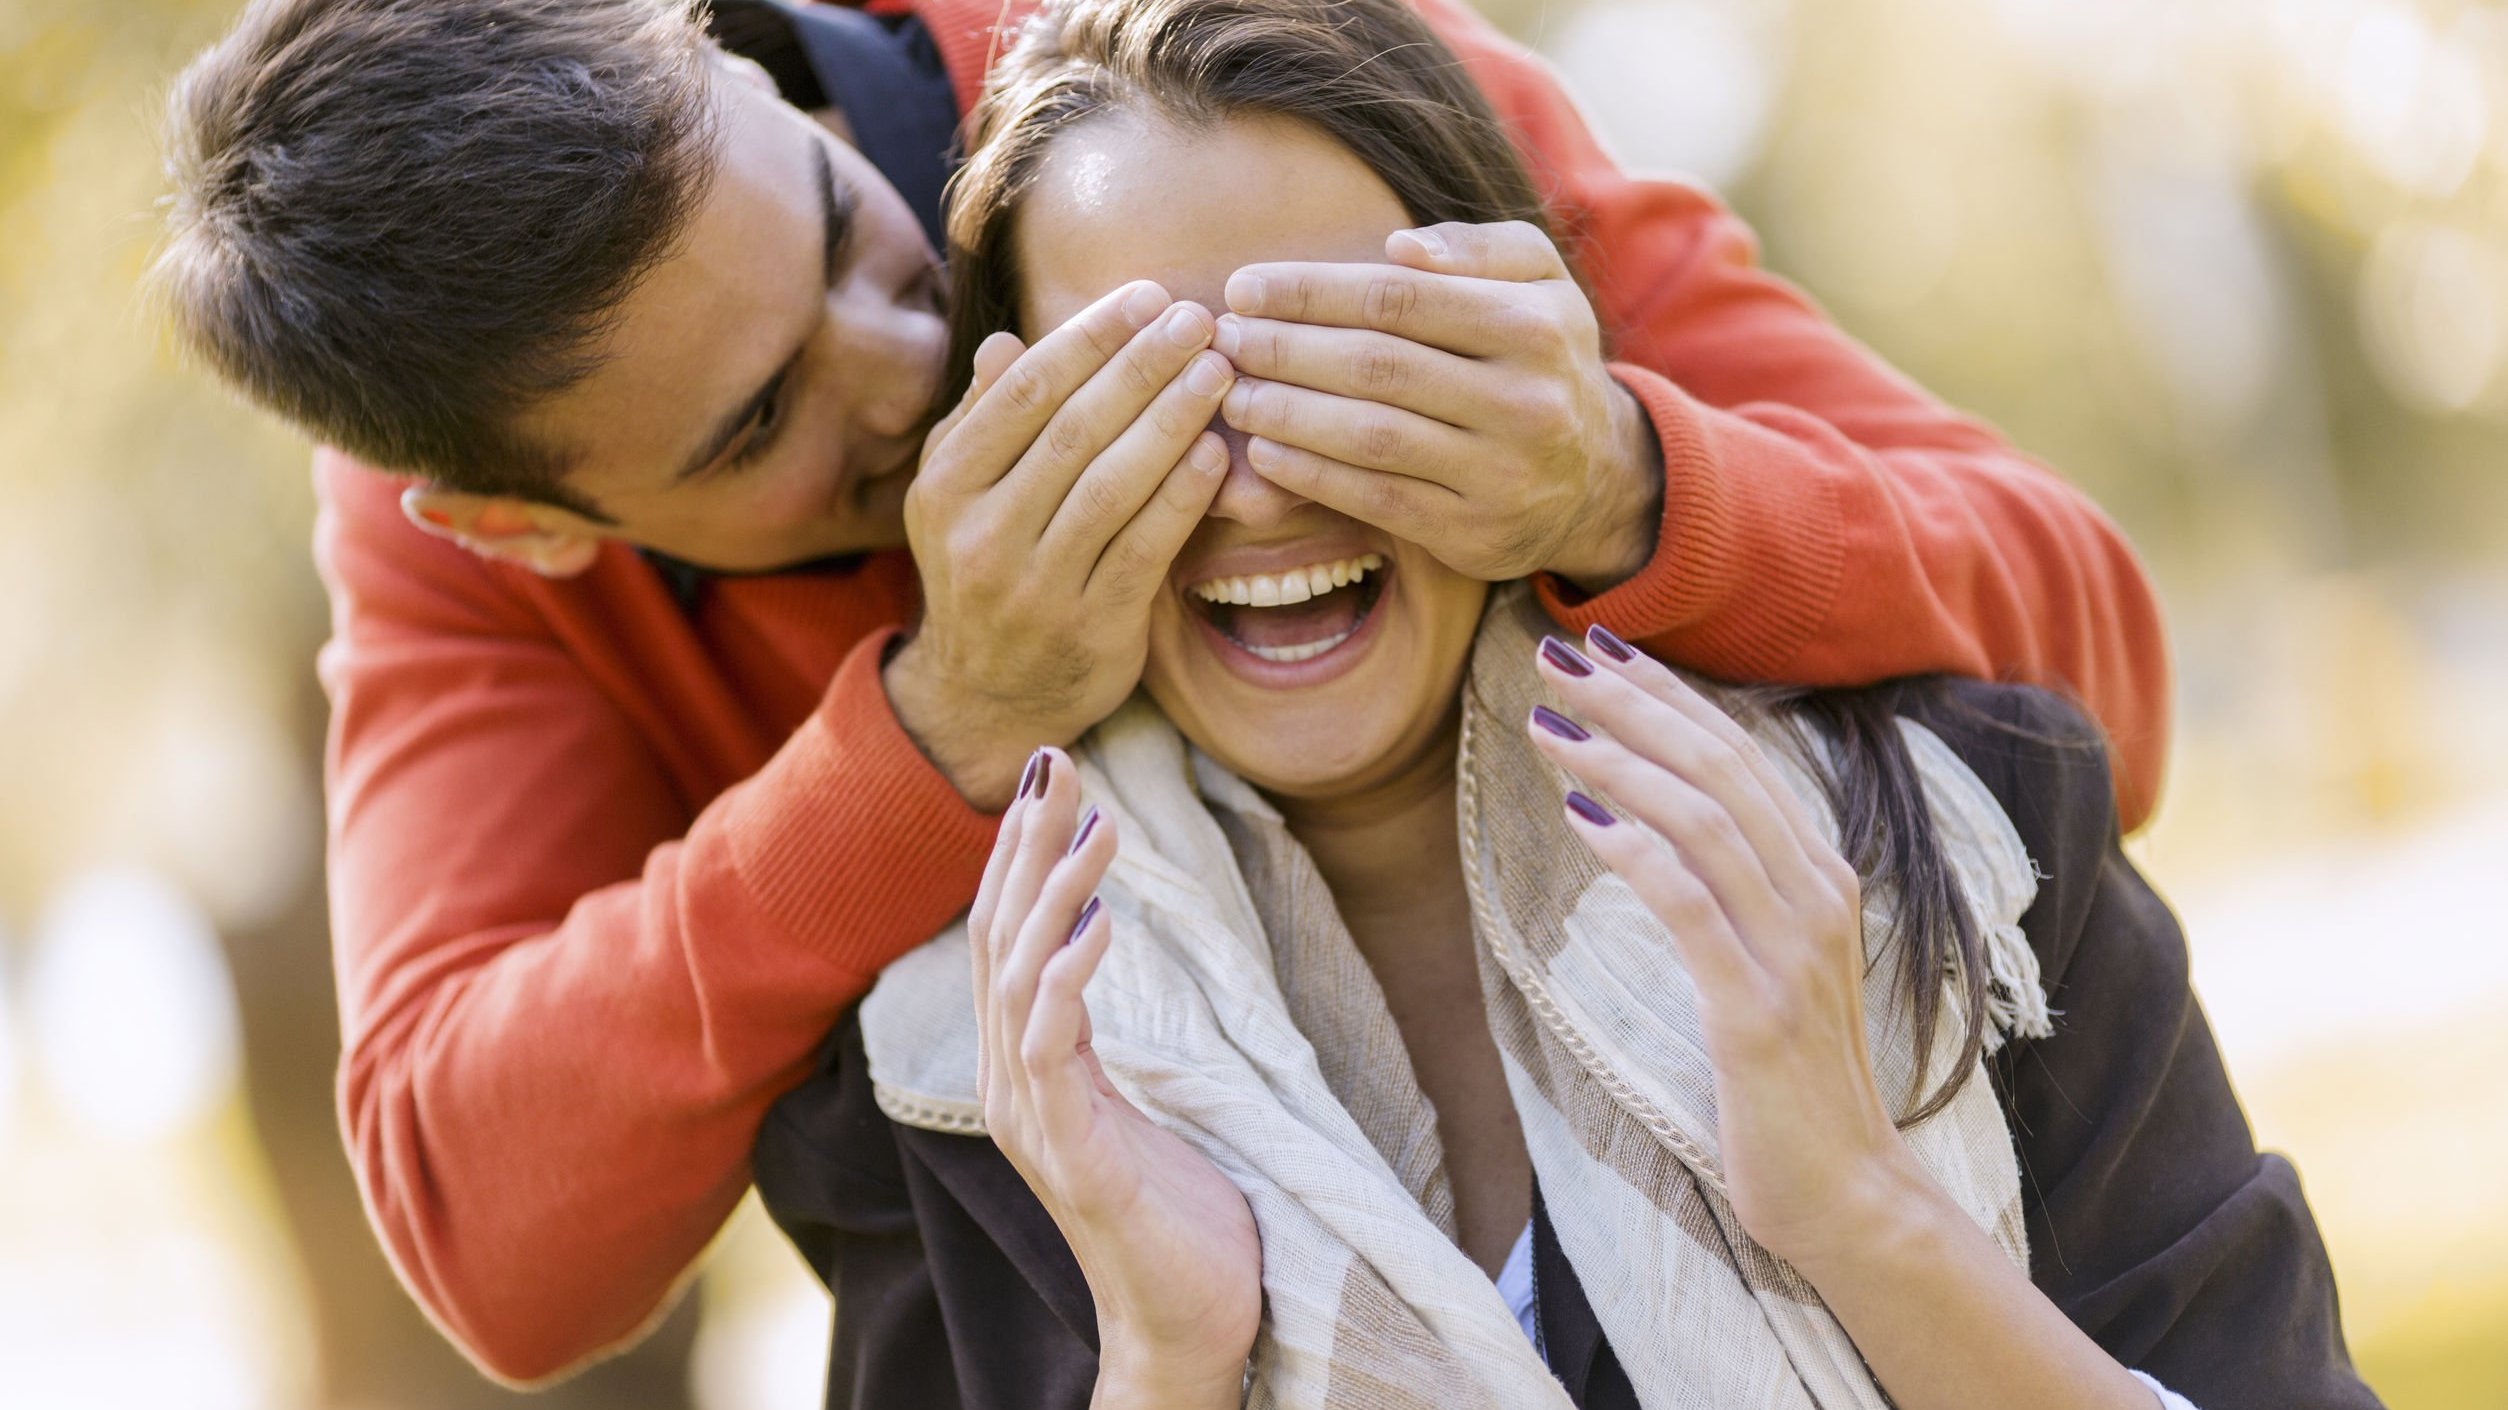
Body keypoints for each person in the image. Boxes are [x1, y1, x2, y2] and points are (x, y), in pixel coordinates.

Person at [153, 0, 2170, 1382]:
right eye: (765, 416)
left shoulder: (1248, 120)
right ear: (519, 523)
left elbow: (2100, 675)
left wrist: (1628, 476)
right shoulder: (468, 545)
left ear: (712, 42)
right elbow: (492, 1238)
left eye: (850, 233)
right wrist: (940, 726)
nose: (918, 371)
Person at [751, 2, 2375, 1407]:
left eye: (1345, 366)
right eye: (1147, 404)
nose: (1257, 496)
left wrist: (1868, 1217)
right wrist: (1169, 1363)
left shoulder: (1961, 825)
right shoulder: (940, 1091)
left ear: (1522, 352)